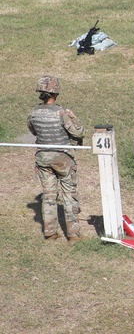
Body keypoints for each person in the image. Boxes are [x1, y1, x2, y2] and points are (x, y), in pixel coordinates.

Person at [27, 76, 86, 242]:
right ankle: (74, 234)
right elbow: (79, 132)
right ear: (56, 93)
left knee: (49, 195)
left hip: (42, 157)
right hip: (63, 158)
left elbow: (33, 130)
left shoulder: (34, 112)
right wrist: (74, 117)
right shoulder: (62, 112)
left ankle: (50, 232)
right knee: (69, 196)